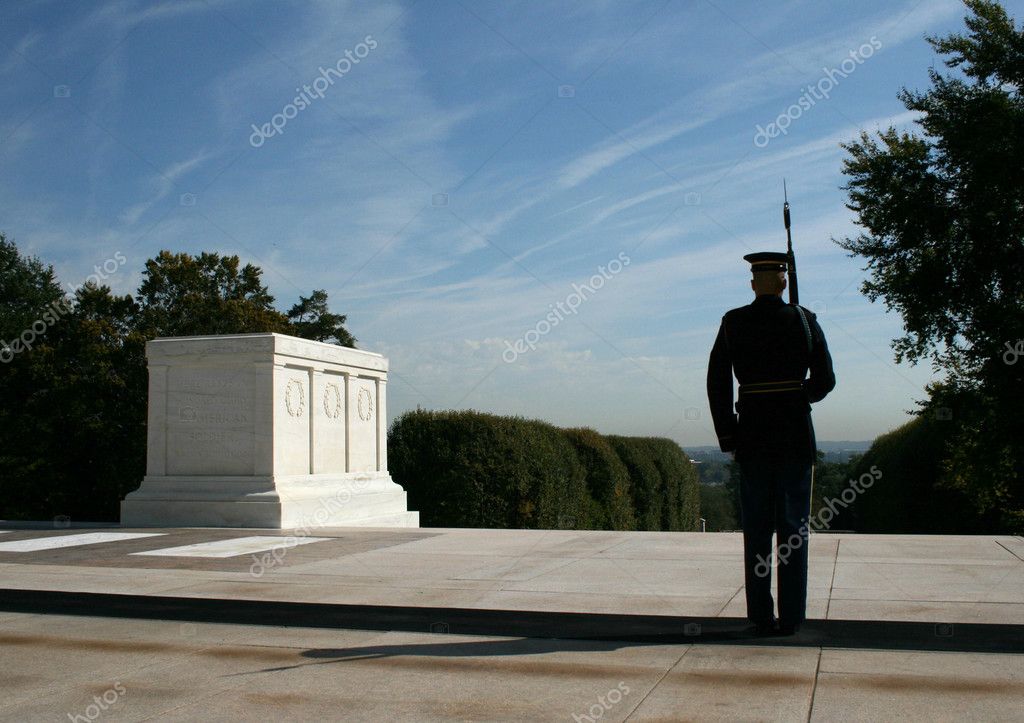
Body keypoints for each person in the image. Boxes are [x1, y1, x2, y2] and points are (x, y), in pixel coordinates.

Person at [706, 251, 835, 636]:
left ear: (752, 284)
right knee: (794, 527)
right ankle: (792, 617)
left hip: (753, 433)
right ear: (782, 281)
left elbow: (717, 381)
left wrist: (728, 432)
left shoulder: (734, 322)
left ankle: (761, 614)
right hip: (794, 432)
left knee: (758, 528)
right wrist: (797, 396)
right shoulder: (804, 320)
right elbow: (826, 378)